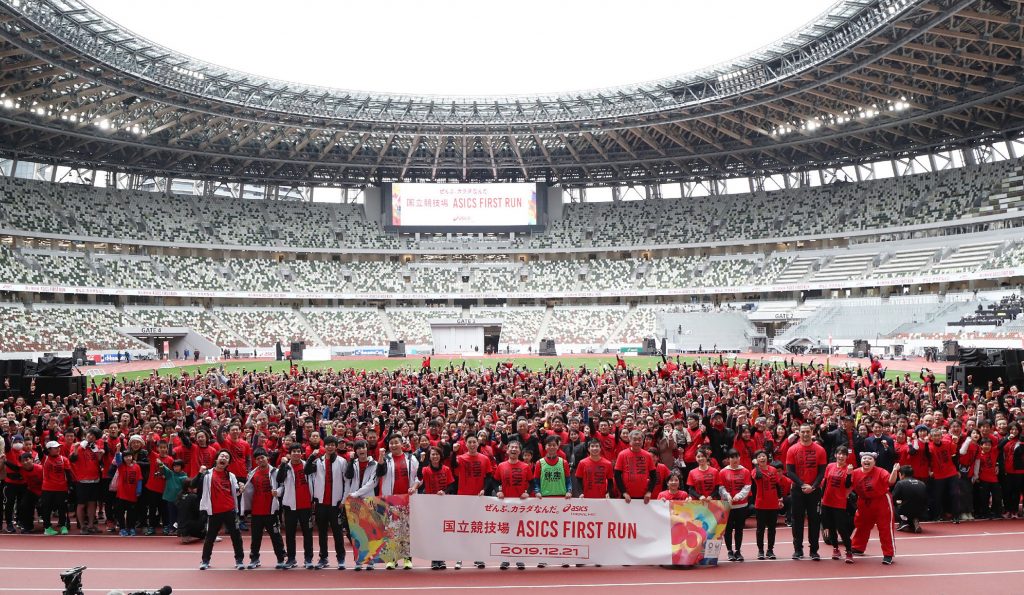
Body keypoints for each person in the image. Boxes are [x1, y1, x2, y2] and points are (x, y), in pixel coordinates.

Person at [193, 450, 245, 570]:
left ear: (228, 463)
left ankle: (239, 560)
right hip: (214, 511)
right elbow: (193, 485)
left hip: (230, 510)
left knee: (236, 536)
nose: (224, 458)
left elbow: (235, 492)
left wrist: (240, 488)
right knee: (210, 537)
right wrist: (199, 473)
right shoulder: (207, 474)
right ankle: (205, 560)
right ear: (216, 459)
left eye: (227, 457)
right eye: (222, 456)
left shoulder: (231, 476)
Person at [376, 435, 419, 570]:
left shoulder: (411, 458)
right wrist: (381, 458)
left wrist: (414, 487)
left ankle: (407, 558)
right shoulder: (386, 458)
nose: (393, 445)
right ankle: (391, 558)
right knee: (391, 529)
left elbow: (419, 476)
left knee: (406, 530)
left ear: (401, 444)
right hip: (390, 499)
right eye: (391, 443)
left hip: (407, 498)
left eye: (396, 443)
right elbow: (379, 473)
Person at [784, 424, 827, 560]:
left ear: (812, 432)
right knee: (797, 520)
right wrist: (802, 485)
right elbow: (790, 472)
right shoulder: (792, 449)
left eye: (808, 431)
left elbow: (822, 472)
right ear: (799, 433)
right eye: (803, 432)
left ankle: (814, 550)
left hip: (814, 490)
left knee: (814, 520)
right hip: (797, 490)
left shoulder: (820, 450)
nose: (806, 434)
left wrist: (813, 486)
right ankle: (798, 550)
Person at [451, 434, 492, 570]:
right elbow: (453, 466)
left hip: (479, 499)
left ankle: (478, 556)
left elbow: (489, 477)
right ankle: (459, 557)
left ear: (478, 443)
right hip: (463, 497)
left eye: (474, 442)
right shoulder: (460, 458)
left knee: (477, 528)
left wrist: (484, 490)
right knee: (463, 528)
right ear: (466, 444)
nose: (473, 444)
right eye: (470, 442)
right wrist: (454, 451)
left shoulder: (484, 459)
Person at [242, 448, 286, 570]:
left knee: (276, 536)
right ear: (255, 461)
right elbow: (248, 491)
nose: (261, 460)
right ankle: (254, 559)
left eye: (262, 457)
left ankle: (281, 558)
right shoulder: (252, 474)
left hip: (271, 510)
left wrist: (278, 492)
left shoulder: (275, 472)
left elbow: (283, 486)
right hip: (256, 511)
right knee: (255, 537)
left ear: (267, 458)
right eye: (258, 459)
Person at [850, 453, 898, 565]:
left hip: (881, 501)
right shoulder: (855, 473)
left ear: (874, 462)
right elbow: (848, 485)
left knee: (885, 527)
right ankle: (858, 547)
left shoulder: (880, 471)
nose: (867, 460)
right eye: (864, 458)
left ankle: (888, 554)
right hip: (863, 501)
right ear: (861, 461)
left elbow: (891, 481)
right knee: (861, 524)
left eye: (870, 458)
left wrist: (894, 471)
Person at [533, 435, 572, 568]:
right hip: (545, 501)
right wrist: (537, 491)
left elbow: (568, 480)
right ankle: (543, 557)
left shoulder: (563, 462)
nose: (551, 447)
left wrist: (569, 491)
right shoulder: (539, 463)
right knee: (544, 531)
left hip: (561, 500)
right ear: (545, 447)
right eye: (549, 445)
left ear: (558, 446)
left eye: (554, 445)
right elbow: (536, 481)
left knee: (561, 530)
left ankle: (563, 557)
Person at [343, 440, 380, 571]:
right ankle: (359, 560)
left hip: (368, 500)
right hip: (353, 501)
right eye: (358, 448)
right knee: (356, 532)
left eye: (363, 447)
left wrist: (357, 493)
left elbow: (373, 483)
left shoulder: (374, 464)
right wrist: (346, 497)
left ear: (367, 448)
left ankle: (370, 560)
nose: (361, 450)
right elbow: (347, 479)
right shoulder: (353, 463)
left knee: (370, 532)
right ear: (355, 451)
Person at [276, 444, 315, 570]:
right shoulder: (285, 466)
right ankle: (291, 558)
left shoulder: (307, 466)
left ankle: (308, 558)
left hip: (306, 505)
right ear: (289, 453)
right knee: (290, 534)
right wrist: (282, 465)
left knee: (307, 533)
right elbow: (279, 480)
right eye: (294, 451)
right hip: (290, 505)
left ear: (302, 453)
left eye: (299, 451)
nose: (296, 453)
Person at [495, 439, 532, 570]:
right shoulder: (501, 466)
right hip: (505, 505)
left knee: (519, 532)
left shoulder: (525, 467)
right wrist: (499, 491)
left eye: (516, 447)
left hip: (521, 505)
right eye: (512, 447)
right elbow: (495, 481)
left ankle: (519, 558)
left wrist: (527, 492)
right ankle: (505, 558)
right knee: (505, 531)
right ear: (507, 450)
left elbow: (531, 482)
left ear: (520, 451)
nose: (514, 449)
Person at [418, 445, 454, 570]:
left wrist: (444, 491)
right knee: (433, 533)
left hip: (444, 505)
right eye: (432, 454)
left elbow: (451, 485)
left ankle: (441, 558)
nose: (435, 456)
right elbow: (419, 477)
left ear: (440, 456)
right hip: (430, 505)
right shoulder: (425, 470)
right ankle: (434, 559)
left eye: (437, 454)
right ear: (429, 457)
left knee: (442, 532)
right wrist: (421, 462)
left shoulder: (446, 469)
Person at [821, 446, 854, 563]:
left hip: (839, 503)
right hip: (826, 502)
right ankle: (835, 549)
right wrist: (821, 498)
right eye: (839, 454)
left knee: (842, 528)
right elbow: (825, 482)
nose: (841, 456)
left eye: (843, 454)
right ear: (835, 455)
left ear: (847, 456)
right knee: (830, 528)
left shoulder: (849, 469)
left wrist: (849, 474)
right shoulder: (830, 466)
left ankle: (849, 551)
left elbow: (847, 485)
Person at [69, 428, 105, 534]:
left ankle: (91, 525)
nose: (91, 437)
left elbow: (98, 461)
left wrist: (100, 454)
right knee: (81, 504)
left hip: (94, 479)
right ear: (86, 434)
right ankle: (83, 526)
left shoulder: (95, 447)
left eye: (94, 436)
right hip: (82, 480)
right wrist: (76, 448)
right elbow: (72, 459)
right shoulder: (77, 445)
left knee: (92, 503)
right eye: (90, 434)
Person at [719, 448, 752, 562]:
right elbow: (721, 487)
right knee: (728, 530)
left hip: (741, 505)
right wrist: (727, 495)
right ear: (728, 459)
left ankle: (738, 551)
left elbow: (747, 486)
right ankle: (729, 551)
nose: (735, 459)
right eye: (732, 457)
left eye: (737, 457)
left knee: (739, 529)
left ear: (740, 458)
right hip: (727, 505)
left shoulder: (745, 471)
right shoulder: (723, 472)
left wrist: (739, 496)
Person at [752, 450, 782, 561]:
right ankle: (760, 550)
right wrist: (756, 465)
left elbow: (777, 485)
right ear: (757, 460)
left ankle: (770, 550)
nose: (762, 458)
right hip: (761, 504)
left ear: (767, 457)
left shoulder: (773, 469)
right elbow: (759, 476)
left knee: (772, 529)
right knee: (760, 529)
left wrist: (780, 498)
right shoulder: (754, 471)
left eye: (763, 456)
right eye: (759, 457)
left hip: (773, 504)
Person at [615, 430, 657, 504]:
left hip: (644, 497)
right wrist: (624, 492)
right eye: (634, 439)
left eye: (639, 440)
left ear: (643, 441)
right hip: (626, 496)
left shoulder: (648, 455)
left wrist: (649, 491)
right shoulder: (622, 454)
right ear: (630, 440)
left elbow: (653, 476)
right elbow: (617, 475)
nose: (637, 442)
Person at [40, 440, 71, 536]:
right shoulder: (44, 458)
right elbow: (39, 451)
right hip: (47, 488)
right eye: (55, 448)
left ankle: (63, 526)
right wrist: (37, 444)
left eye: (59, 447)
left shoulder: (64, 459)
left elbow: (68, 474)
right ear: (49, 450)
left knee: (62, 508)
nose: (58, 449)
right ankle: (47, 528)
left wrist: (70, 486)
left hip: (61, 488)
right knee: (47, 508)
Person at [110, 449, 143, 537]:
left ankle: (131, 528)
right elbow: (117, 460)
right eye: (125, 457)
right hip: (121, 494)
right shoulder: (121, 466)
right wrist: (117, 449)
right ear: (123, 458)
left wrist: (139, 490)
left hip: (132, 494)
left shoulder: (137, 466)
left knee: (132, 513)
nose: (128, 458)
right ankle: (122, 528)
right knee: (120, 513)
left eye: (129, 456)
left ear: (132, 457)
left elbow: (139, 479)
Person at [892, 464, 927, 533]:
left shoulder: (900, 483)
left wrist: (898, 503)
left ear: (902, 474)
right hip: (922, 511)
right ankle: (915, 520)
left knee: (891, 505)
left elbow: (893, 498)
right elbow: (926, 499)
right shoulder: (922, 483)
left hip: (906, 511)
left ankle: (904, 523)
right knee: (911, 505)